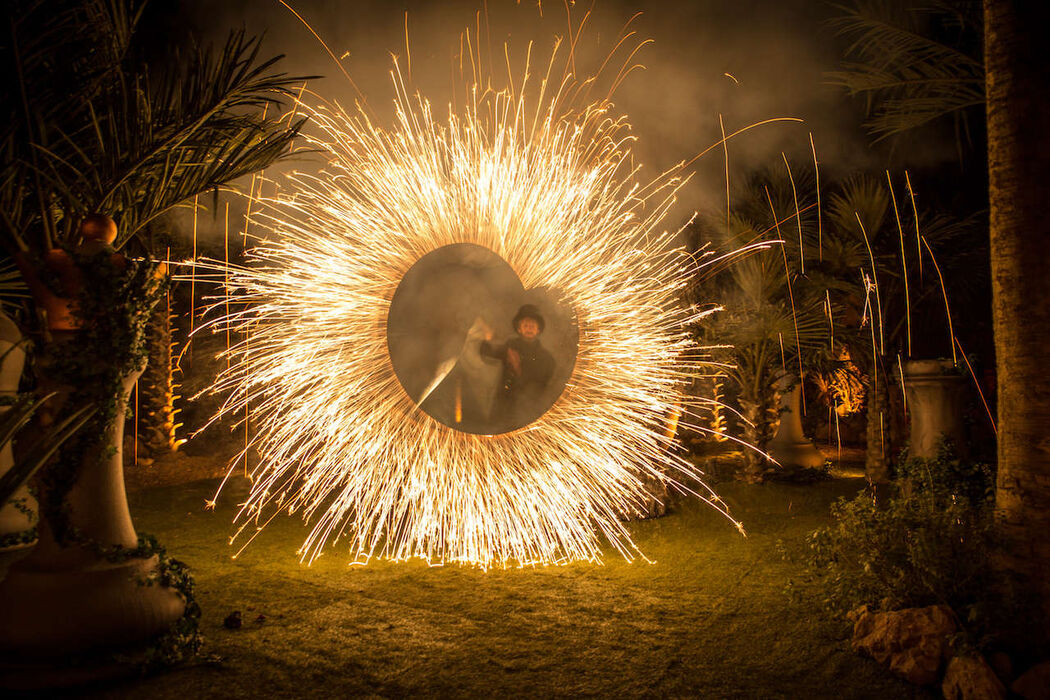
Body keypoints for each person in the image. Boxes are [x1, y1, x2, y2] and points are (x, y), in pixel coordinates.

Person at [479, 304, 555, 429]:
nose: (529, 329)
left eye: (532, 326)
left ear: (538, 330)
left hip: (529, 410)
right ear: (519, 329)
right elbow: (488, 351)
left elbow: (539, 386)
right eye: (525, 325)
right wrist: (487, 337)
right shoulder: (510, 346)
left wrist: (518, 367)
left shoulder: (546, 358)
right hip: (503, 406)